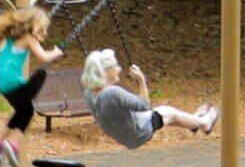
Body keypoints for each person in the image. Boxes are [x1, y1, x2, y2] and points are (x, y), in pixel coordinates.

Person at [0, 0, 64, 167]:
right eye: (42, 27)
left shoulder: (8, 39)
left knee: (24, 110)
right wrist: (56, 52)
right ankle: (12, 144)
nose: (43, 31)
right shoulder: (29, 39)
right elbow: (43, 57)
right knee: (38, 81)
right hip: (11, 79)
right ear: (34, 25)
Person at [81, 48, 218, 150]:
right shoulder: (112, 93)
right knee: (168, 112)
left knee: (166, 116)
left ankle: (193, 123)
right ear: (105, 71)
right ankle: (204, 122)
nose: (119, 69)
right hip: (137, 132)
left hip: (121, 135)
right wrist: (141, 80)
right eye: (115, 66)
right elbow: (145, 105)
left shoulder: (89, 93)